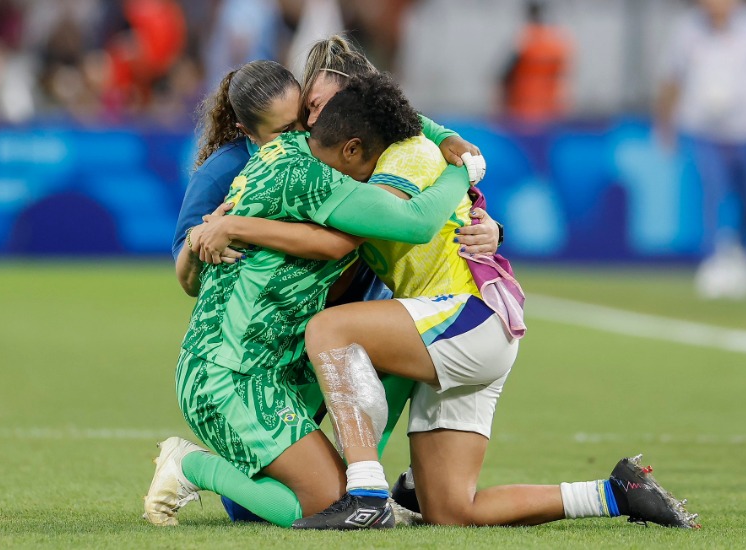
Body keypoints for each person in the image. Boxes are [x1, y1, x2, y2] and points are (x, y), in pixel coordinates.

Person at [193, 74, 699, 531]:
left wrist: (465, 174)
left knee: (329, 330)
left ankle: (364, 492)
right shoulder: (382, 150)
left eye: (320, 107)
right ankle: (615, 493)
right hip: (460, 334)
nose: (311, 125)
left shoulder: (404, 156)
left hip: (465, 317)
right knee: (452, 511)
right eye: (308, 113)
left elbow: (399, 225)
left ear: (354, 119)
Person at [144, 61, 477, 529]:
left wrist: (442, 135)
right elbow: (414, 224)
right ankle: (189, 465)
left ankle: (366, 479)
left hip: (268, 362)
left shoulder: (300, 151)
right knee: (323, 505)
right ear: (250, 133)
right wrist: (464, 168)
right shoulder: (302, 169)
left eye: (307, 115)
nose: (304, 129)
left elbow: (339, 237)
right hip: (228, 373)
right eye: (290, 125)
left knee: (342, 489)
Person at [657, 0, 746, 299]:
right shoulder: (686, 30)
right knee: (713, 197)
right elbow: (671, 79)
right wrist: (665, 124)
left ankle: (743, 258)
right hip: (704, 132)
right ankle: (716, 261)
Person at [499, 0, 573, 124]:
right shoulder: (559, 41)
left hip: (523, 108)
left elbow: (505, 75)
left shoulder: (525, 39)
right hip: (552, 108)